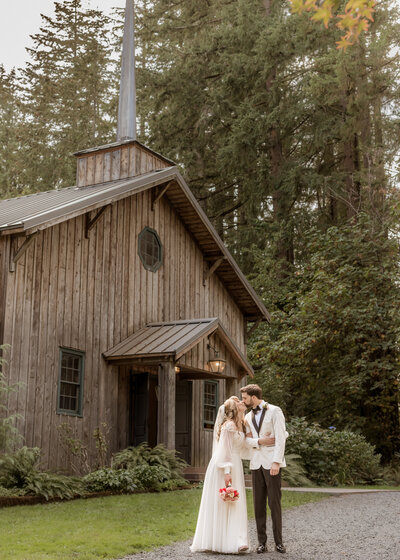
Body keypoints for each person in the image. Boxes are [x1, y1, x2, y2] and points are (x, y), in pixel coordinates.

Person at [190, 396, 273, 554]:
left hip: (235, 463)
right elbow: (225, 450)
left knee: (235, 502)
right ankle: (225, 540)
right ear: (234, 409)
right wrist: (227, 471)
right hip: (224, 465)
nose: (243, 403)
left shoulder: (241, 424)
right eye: (239, 402)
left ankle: (237, 539)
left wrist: (263, 441)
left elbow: (245, 445)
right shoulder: (228, 426)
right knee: (225, 501)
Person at [240, 384, 287, 554]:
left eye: (245, 398)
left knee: (274, 503)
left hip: (271, 463)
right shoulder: (247, 417)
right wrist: (260, 441)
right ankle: (262, 543)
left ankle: (279, 543)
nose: (243, 401)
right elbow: (246, 441)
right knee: (258, 505)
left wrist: (276, 462)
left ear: (253, 397)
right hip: (256, 463)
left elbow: (281, 438)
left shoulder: (275, 411)